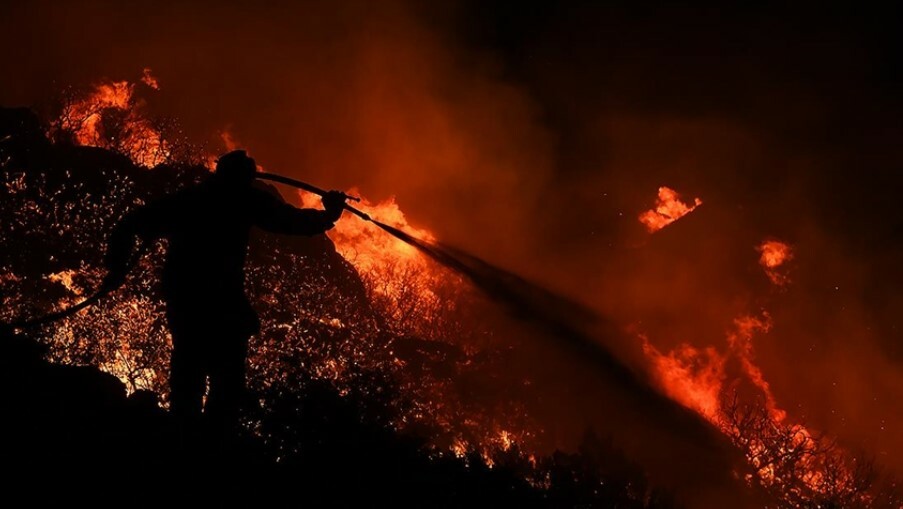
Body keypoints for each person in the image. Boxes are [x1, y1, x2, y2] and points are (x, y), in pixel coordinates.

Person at [103, 150, 347, 429]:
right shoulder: (242, 200)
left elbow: (131, 223)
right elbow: (289, 221)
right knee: (225, 380)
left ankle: (186, 439)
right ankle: (211, 447)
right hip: (221, 304)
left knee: (189, 374)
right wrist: (330, 214)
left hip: (186, 301)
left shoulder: (188, 200)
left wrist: (116, 267)